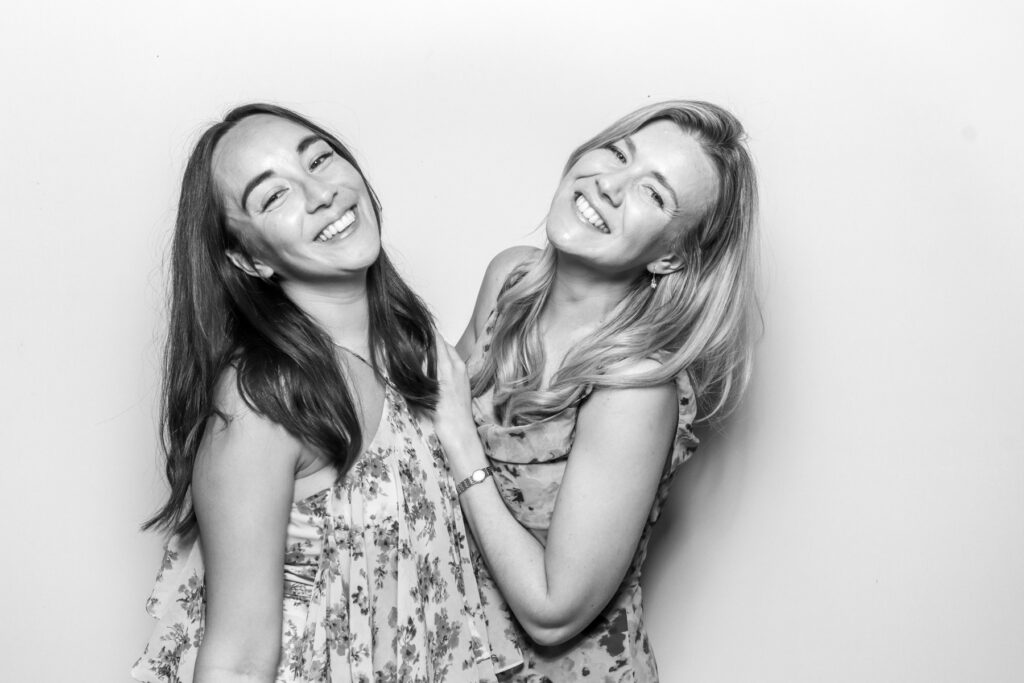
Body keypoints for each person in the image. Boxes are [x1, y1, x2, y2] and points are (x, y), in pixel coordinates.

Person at [133, 103, 520, 683]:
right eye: (274, 196)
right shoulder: (264, 401)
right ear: (248, 258)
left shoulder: (408, 349)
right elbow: (237, 662)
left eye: (319, 159)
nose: (321, 194)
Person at [432, 100, 758, 681]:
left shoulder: (635, 389)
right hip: (458, 654)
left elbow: (553, 612)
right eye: (617, 153)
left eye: (653, 194)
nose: (609, 185)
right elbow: (428, 430)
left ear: (671, 256)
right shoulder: (510, 279)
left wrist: (461, 442)